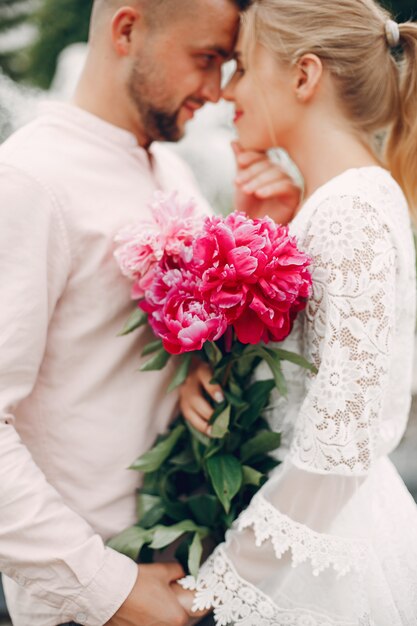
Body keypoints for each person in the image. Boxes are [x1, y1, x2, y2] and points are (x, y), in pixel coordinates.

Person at [0, 1, 300, 625]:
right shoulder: (29, 181)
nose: (217, 92)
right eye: (205, 60)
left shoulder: (171, 170)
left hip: (186, 567)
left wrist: (200, 359)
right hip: (90, 602)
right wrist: (107, 589)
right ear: (127, 29)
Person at [177, 0, 417, 623]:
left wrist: (220, 583)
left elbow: (342, 442)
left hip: (323, 551)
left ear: (304, 76)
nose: (229, 91)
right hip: (305, 530)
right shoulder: (331, 204)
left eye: (243, 68)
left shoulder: (350, 213)